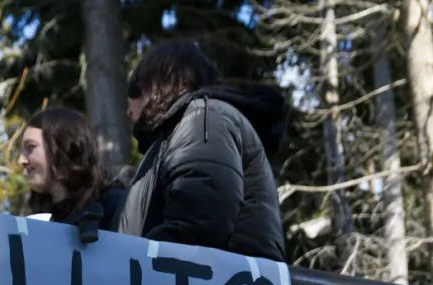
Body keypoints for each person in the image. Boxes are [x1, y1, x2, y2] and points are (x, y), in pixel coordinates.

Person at [118, 41, 288, 262]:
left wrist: (130, 272)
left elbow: (197, 224)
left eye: (135, 91)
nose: (129, 110)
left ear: (157, 83)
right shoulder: (181, 133)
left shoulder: (204, 117)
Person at [17, 108, 126, 243]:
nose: (21, 160)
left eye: (30, 147)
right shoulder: (37, 220)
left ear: (63, 147)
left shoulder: (116, 207)